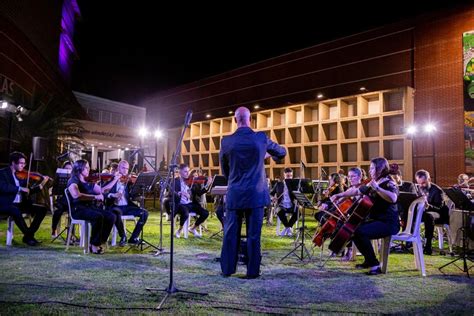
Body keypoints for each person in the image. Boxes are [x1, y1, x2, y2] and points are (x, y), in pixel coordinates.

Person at [220, 106, 286, 279]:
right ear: (251, 119)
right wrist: (266, 154)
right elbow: (282, 152)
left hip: (235, 193)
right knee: (254, 235)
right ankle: (252, 272)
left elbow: (225, 171)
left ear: (235, 120)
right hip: (256, 194)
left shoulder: (226, 141)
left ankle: (227, 269)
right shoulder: (261, 138)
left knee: (230, 234)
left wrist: (234, 181)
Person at [331, 157, 399, 275]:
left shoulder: (389, 182)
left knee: (359, 232)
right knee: (353, 229)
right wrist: (340, 195)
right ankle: (369, 260)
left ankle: (375, 265)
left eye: (372, 168)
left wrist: (377, 189)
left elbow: (393, 198)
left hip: (388, 223)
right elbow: (356, 191)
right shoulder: (374, 182)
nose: (370, 171)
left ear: (380, 169)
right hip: (376, 220)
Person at [0, 151, 50, 246]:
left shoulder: (21, 175)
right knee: (14, 210)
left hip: (20, 204)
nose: (23, 165)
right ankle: (28, 236)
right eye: (21, 163)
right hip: (6, 204)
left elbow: (28, 190)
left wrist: (41, 184)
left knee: (42, 209)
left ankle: (28, 236)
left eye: (24, 163)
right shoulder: (2, 173)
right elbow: (3, 187)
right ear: (13, 163)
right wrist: (19, 188)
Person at [67, 159, 116, 254]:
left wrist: (115, 179)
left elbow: (103, 190)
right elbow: (76, 195)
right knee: (98, 216)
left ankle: (98, 242)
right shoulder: (73, 181)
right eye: (86, 167)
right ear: (79, 168)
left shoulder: (88, 181)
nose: (89, 169)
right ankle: (94, 245)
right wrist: (95, 197)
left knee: (111, 216)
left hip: (89, 208)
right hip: (78, 209)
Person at [103, 160, 149, 245]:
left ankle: (134, 237)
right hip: (115, 206)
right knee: (116, 212)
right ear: (118, 168)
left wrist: (138, 197)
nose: (125, 170)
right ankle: (123, 236)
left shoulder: (128, 181)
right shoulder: (111, 179)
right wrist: (112, 195)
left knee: (144, 213)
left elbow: (132, 195)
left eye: (127, 169)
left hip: (127, 207)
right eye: (123, 168)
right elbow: (102, 192)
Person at [414, 169, 450, 255]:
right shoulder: (419, 188)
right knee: (410, 213)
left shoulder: (437, 191)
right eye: (419, 183)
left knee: (428, 216)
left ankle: (428, 245)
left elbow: (439, 208)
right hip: (425, 212)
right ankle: (410, 242)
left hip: (439, 215)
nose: (421, 185)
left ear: (429, 180)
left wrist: (428, 206)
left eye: (423, 183)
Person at [173, 164, 209, 238]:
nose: (187, 173)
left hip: (190, 204)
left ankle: (192, 228)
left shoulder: (191, 182)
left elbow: (199, 193)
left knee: (205, 213)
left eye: (188, 171)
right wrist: (180, 193)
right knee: (185, 213)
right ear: (180, 172)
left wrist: (207, 185)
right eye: (185, 171)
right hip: (180, 204)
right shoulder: (175, 181)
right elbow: (171, 192)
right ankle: (179, 230)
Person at [270, 168, 297, 237]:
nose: (289, 178)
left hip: (291, 205)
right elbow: (271, 194)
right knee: (278, 211)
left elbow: (298, 195)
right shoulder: (279, 184)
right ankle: (288, 228)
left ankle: (287, 228)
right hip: (282, 205)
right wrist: (273, 198)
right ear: (284, 175)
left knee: (298, 212)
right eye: (288, 176)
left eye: (291, 176)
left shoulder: (294, 185)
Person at [51, 161, 73, 238]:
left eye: (70, 169)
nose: (68, 170)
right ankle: (54, 229)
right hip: (61, 199)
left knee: (73, 211)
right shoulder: (59, 178)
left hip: (71, 200)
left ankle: (71, 234)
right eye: (66, 168)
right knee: (58, 210)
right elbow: (54, 190)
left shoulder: (74, 178)